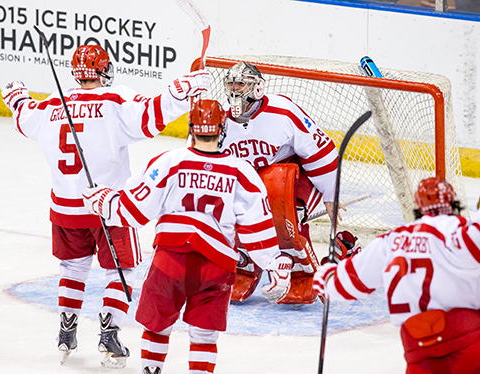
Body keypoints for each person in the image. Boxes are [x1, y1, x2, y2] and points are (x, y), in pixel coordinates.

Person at [1, 44, 212, 368]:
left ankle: (67, 327)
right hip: (107, 207)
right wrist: (180, 93)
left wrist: (16, 97)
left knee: (72, 267)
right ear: (103, 70)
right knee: (122, 269)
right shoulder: (114, 101)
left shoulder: (52, 105)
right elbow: (151, 116)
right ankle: (110, 328)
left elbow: (25, 115)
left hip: (65, 209)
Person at [82, 99, 293, 374]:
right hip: (216, 266)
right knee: (204, 336)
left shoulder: (170, 161)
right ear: (222, 129)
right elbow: (257, 230)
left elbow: (134, 211)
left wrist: (105, 203)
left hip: (170, 260)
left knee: (158, 326)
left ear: (192, 128)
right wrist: (274, 264)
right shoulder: (242, 172)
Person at [218, 61, 356, 305]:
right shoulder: (221, 121)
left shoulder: (283, 111)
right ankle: (245, 264)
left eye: (242, 84)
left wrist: (330, 193)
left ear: (258, 88)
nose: (235, 90)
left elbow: (319, 152)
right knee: (232, 205)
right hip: (256, 184)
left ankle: (301, 273)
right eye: (231, 83)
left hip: (294, 179)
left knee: (282, 211)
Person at [313, 177, 480, 373]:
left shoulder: (390, 243)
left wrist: (327, 275)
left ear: (418, 206)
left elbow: (342, 284)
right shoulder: (464, 235)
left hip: (419, 354)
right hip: (469, 346)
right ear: (454, 204)